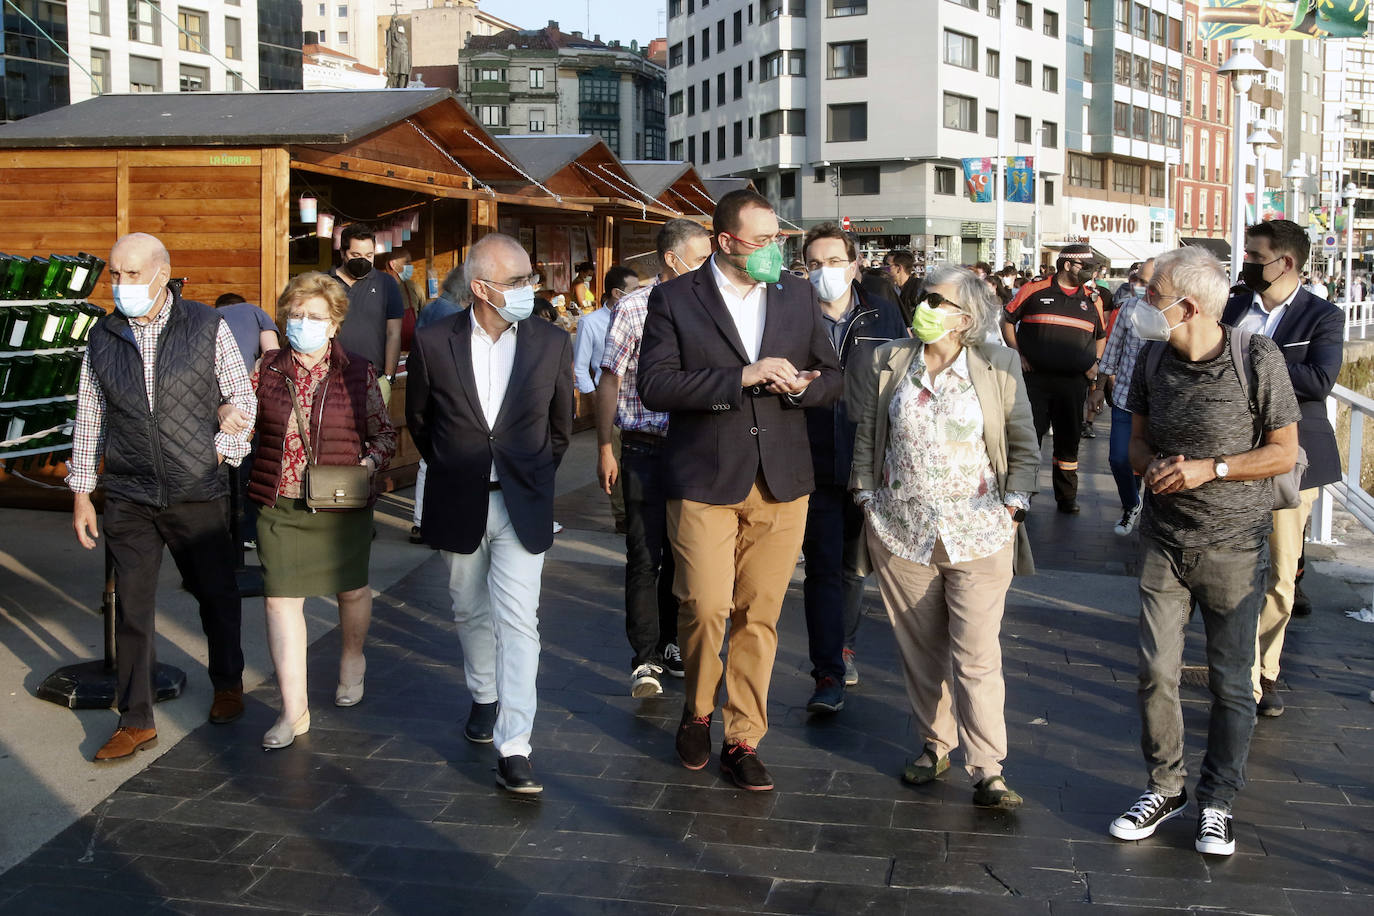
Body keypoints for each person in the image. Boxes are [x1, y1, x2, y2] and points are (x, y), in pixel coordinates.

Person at [639, 189, 842, 791]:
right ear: (725, 242)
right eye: (761, 243)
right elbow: (655, 385)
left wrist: (805, 387)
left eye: (778, 240)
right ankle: (698, 707)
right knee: (704, 605)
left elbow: (833, 377)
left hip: (783, 479)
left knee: (761, 614)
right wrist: (741, 377)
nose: (774, 252)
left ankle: (743, 735)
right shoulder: (676, 297)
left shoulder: (797, 294)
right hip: (704, 475)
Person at [1110, 246, 1299, 857]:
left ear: (1184, 304)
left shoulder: (1257, 357)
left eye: (1149, 290)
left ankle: (1218, 801)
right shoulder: (1151, 355)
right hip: (1164, 543)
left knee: (1231, 684)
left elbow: (1281, 454)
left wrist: (1208, 469)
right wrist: (1154, 467)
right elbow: (1135, 444)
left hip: (1235, 549)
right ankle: (1166, 787)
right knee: (1155, 674)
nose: (1140, 302)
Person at [849, 265, 1037, 808]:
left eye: (937, 299)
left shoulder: (998, 365)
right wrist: (865, 496)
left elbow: (1023, 443)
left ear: (967, 316)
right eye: (922, 296)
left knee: (976, 653)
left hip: (980, 531)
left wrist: (1014, 507)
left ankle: (988, 767)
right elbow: (869, 435)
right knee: (920, 651)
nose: (923, 305)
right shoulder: (891, 360)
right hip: (901, 529)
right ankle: (936, 744)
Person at [68, 232, 255, 761]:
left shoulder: (205, 324)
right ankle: (136, 718)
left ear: (161, 271)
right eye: (114, 274)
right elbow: (89, 417)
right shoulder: (103, 336)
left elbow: (241, 398)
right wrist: (82, 492)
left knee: (214, 591)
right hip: (129, 493)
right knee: (132, 607)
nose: (121, 284)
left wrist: (216, 454)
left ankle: (227, 682)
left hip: (197, 492)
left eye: (131, 274)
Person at [406, 233, 574, 795]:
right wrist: (458, 466)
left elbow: (560, 428)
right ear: (481, 288)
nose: (531, 289)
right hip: (460, 497)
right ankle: (483, 694)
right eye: (518, 281)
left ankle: (516, 744)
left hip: (523, 502)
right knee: (467, 606)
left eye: (530, 278)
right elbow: (422, 422)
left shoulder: (550, 342)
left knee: (520, 621)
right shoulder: (434, 342)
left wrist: (529, 476)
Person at [236, 272, 397, 749]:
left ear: (334, 325)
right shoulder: (265, 369)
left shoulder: (358, 370)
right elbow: (242, 426)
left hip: (340, 502)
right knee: (279, 599)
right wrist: (228, 417)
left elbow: (384, 435)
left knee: (350, 590)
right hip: (279, 501)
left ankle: (352, 658)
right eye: (295, 315)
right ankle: (293, 711)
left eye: (314, 317)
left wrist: (366, 466)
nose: (302, 323)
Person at [1224, 219, 1344, 718]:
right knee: (1232, 570)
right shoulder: (1233, 305)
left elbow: (1318, 381)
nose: (1246, 263)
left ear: (1285, 263)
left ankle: (1263, 670)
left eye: (1254, 255)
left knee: (1279, 571)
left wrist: (1253, 354)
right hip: (1229, 454)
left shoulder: (1323, 316)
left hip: (1293, 460)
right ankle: (1238, 670)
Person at [597, 219, 714, 697]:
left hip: (695, 445)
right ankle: (644, 657)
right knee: (645, 554)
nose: (709, 266)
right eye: (702, 257)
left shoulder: (712, 305)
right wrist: (605, 445)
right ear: (673, 258)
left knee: (684, 554)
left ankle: (670, 642)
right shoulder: (633, 307)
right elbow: (609, 377)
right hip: (644, 446)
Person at [799, 222, 906, 708]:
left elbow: (903, 382)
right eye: (816, 264)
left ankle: (844, 647)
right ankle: (828, 674)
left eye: (836, 262)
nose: (826, 272)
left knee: (852, 567)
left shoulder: (882, 315)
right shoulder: (789, 314)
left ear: (856, 263)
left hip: (867, 460)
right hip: (808, 456)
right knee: (821, 566)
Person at [1002, 244, 1106, 514]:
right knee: (1029, 440)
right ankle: (1022, 497)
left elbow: (1101, 336)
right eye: (1086, 267)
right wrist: (1017, 354)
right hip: (1035, 381)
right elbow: (1008, 319)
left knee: (1068, 443)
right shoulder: (1035, 289)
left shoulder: (1093, 298)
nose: (1091, 272)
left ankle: (1066, 497)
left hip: (1073, 383)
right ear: (1068, 265)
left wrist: (1094, 363)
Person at [575, 266, 639, 533]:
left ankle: (639, 512)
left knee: (636, 460)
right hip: (609, 402)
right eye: (634, 289)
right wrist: (594, 398)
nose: (639, 294)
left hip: (637, 403)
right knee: (614, 460)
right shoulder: (591, 323)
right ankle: (622, 516)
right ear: (617, 292)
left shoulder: (641, 316)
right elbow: (580, 367)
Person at [1092, 261, 1154, 536]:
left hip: (1160, 405)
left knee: (1156, 462)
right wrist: (1097, 389)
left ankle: (1154, 517)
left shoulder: (1176, 313)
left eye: (1145, 282)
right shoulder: (1127, 308)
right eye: (1136, 280)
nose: (1137, 286)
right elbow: (1111, 352)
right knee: (1119, 458)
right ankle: (1131, 503)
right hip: (1125, 399)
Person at [213, 292, 279, 551]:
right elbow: (272, 357)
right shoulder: (254, 311)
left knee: (220, 473)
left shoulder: (208, 317)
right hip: (247, 404)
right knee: (249, 468)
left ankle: (222, 534)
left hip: (211, 404)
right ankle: (248, 532)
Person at [409, 266, 469, 544]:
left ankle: (422, 521)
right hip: (443, 393)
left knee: (427, 462)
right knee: (435, 462)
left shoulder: (433, 307)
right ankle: (428, 520)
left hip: (425, 387)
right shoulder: (453, 315)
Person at [329, 224, 403, 401]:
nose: (363, 260)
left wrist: (389, 377)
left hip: (373, 379)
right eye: (356, 255)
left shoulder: (386, 284)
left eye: (369, 256)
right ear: (342, 253)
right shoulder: (323, 282)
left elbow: (394, 332)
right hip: (331, 379)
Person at [382, 249, 424, 353]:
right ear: (393, 264)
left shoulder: (414, 288)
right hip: (387, 353)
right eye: (407, 262)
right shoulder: (379, 289)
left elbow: (424, 317)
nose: (410, 266)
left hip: (412, 352)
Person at [888, 250, 924, 327]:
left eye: (888, 266)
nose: (885, 269)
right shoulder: (890, 288)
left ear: (899, 268)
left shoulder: (918, 289)